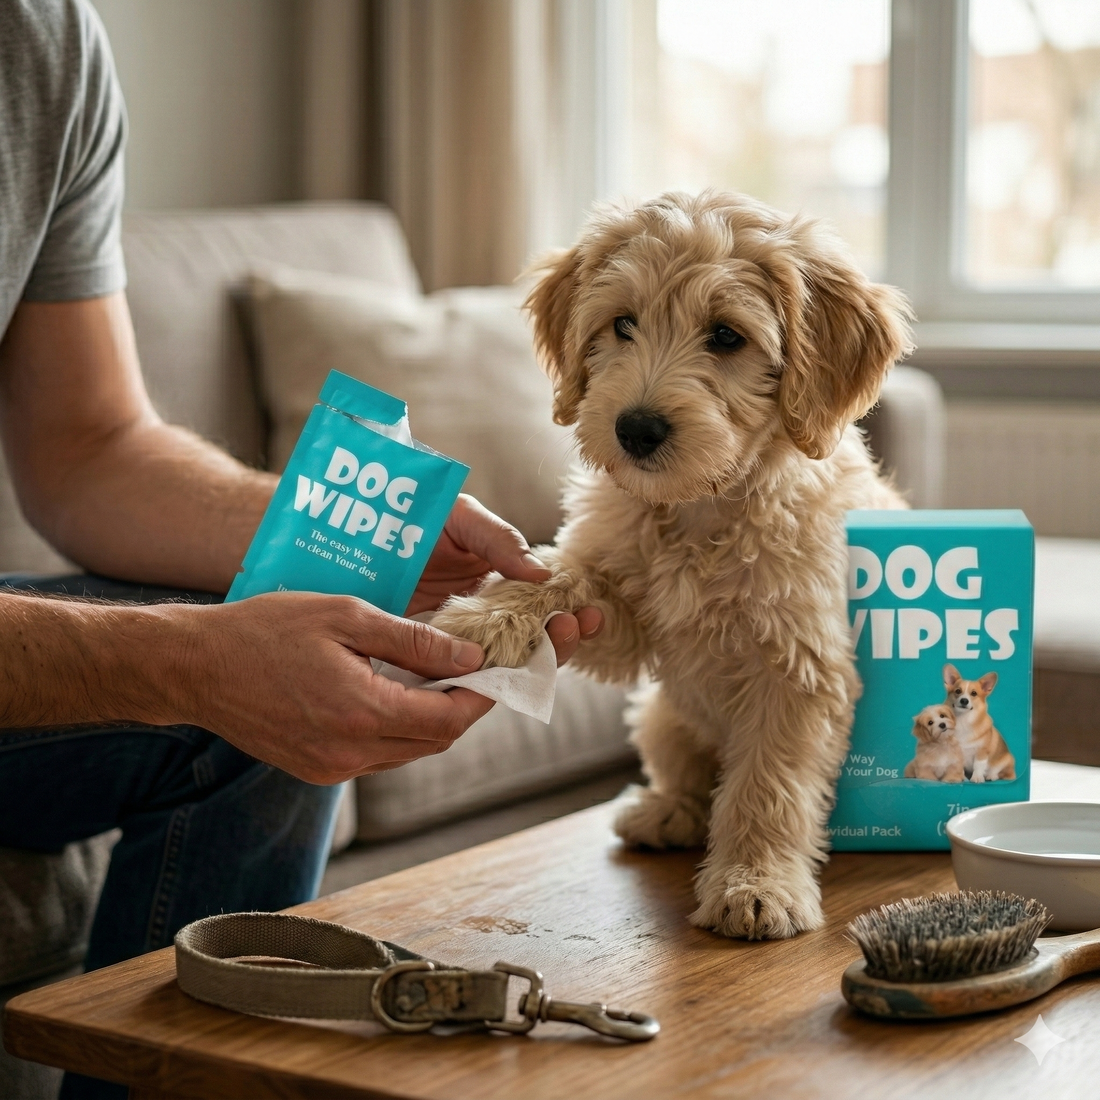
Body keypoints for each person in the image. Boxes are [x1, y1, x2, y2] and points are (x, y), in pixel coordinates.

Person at [0, 3, 600, 1096]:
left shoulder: (43, 46)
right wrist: (184, 658)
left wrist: (364, 537)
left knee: (254, 706)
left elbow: (88, 448)